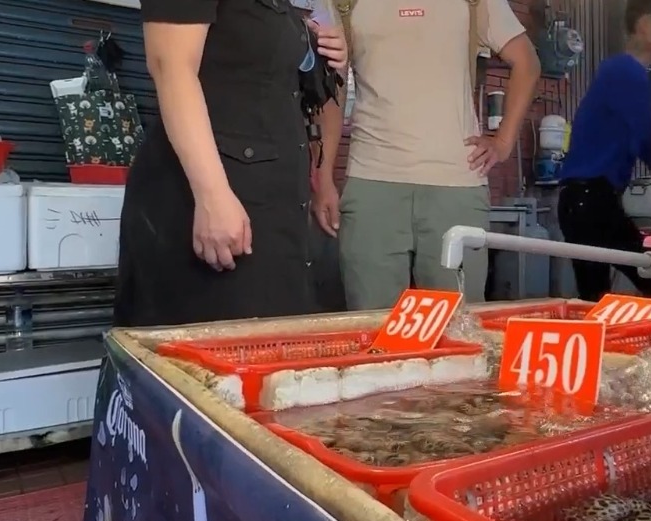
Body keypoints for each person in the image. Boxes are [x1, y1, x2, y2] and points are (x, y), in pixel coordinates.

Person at [113, 0, 348, 326]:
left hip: (271, 211)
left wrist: (313, 50)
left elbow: (245, 60)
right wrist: (212, 196)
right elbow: (171, 66)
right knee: (202, 350)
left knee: (268, 343)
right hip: (212, 202)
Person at [311, 0, 541, 310]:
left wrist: (503, 141)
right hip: (372, 185)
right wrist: (322, 176)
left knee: (457, 323)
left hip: (456, 187)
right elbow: (331, 91)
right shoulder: (342, 3)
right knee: (372, 323)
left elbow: (527, 62)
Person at [555, 0, 651, 302]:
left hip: (585, 200)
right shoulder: (625, 71)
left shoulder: (621, 71)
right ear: (645, 25)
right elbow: (648, 138)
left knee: (598, 296)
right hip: (590, 198)